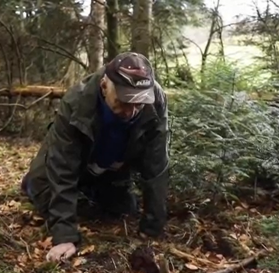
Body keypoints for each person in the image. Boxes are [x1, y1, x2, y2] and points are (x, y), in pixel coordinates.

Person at [21, 52, 169, 262]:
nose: (131, 111)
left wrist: (153, 228)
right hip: (74, 159)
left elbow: (157, 164)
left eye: (139, 103)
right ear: (104, 86)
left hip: (111, 166)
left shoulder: (156, 100)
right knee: (44, 191)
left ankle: (90, 189)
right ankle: (34, 183)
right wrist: (65, 236)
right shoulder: (76, 101)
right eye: (124, 101)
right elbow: (62, 166)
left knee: (122, 208)